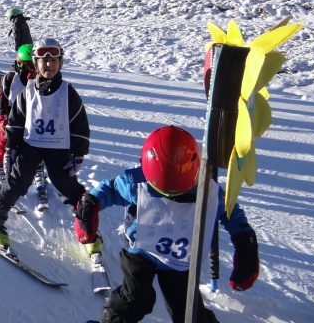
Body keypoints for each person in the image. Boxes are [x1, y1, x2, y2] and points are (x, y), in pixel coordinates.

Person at [74, 125, 260, 323]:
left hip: (179, 258)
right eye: (162, 193)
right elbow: (109, 190)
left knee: (188, 311)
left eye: (178, 194)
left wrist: (245, 243)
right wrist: (89, 205)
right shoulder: (137, 183)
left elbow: (231, 213)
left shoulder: (207, 191)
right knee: (135, 299)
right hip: (141, 251)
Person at [0, 37, 90, 247]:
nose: (48, 64)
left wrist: (79, 152)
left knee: (67, 184)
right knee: (17, 181)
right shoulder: (28, 91)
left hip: (58, 146)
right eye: (43, 60)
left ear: (60, 62)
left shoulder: (68, 93)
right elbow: (16, 121)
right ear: (36, 63)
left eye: (53, 60)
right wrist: (10, 148)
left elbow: (79, 123)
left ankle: (89, 229)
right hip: (30, 144)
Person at [0, 43, 36, 188]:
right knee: (4, 139)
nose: (34, 70)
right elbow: (2, 99)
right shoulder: (11, 78)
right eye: (31, 66)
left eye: (36, 65)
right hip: (10, 116)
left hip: (31, 117)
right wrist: (3, 118)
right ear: (21, 64)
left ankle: (37, 166)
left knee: (36, 141)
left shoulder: (39, 79)